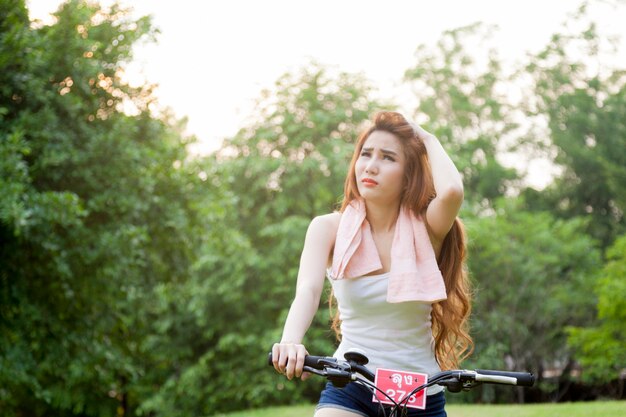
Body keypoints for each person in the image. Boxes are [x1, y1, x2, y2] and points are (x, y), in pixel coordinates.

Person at [271, 111, 472, 417]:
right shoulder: (328, 228)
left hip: (419, 392)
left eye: (388, 158)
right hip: (352, 383)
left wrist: (427, 138)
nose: (371, 166)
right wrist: (290, 341)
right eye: (366, 154)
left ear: (408, 175)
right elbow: (308, 291)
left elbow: (453, 192)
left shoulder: (428, 228)